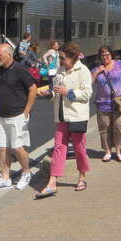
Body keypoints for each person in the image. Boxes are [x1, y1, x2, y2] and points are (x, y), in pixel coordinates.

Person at [35, 43, 93, 198]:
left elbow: (87, 94)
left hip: (76, 116)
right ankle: (52, 183)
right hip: (61, 116)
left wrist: (69, 92)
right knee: (59, 148)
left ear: (72, 57)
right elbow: (56, 92)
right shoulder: (60, 71)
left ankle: (82, 177)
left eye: (62, 58)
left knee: (79, 149)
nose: (60, 61)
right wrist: (49, 94)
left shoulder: (83, 71)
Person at [0, 43, 37, 192]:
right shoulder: (0, 71)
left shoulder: (20, 69)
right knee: (2, 147)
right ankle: (5, 178)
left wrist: (26, 111)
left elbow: (33, 89)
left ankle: (26, 172)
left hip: (16, 115)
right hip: (0, 115)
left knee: (17, 147)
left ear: (8, 54)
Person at [92, 45, 121, 162]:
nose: (105, 57)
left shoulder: (120, 64)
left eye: (107, 54)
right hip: (103, 104)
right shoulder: (97, 68)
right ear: (100, 57)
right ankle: (107, 152)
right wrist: (97, 72)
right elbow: (90, 82)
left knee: (120, 126)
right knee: (104, 128)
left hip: (120, 102)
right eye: (103, 55)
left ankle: (119, 151)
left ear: (111, 55)